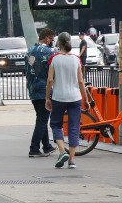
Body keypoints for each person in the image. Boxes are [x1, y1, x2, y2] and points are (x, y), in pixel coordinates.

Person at [46, 32, 89, 170]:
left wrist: (47, 97)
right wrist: (86, 99)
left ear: (59, 43)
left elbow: (50, 80)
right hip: (75, 98)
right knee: (74, 127)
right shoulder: (76, 59)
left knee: (55, 124)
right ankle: (72, 160)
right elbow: (81, 81)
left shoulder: (54, 59)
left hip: (58, 97)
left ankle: (62, 151)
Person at [25, 28, 57, 158]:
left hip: (32, 88)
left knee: (41, 118)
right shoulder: (49, 52)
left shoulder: (29, 50)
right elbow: (52, 73)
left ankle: (47, 146)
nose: (52, 42)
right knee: (43, 119)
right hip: (44, 88)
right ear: (47, 38)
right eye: (52, 39)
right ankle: (34, 148)